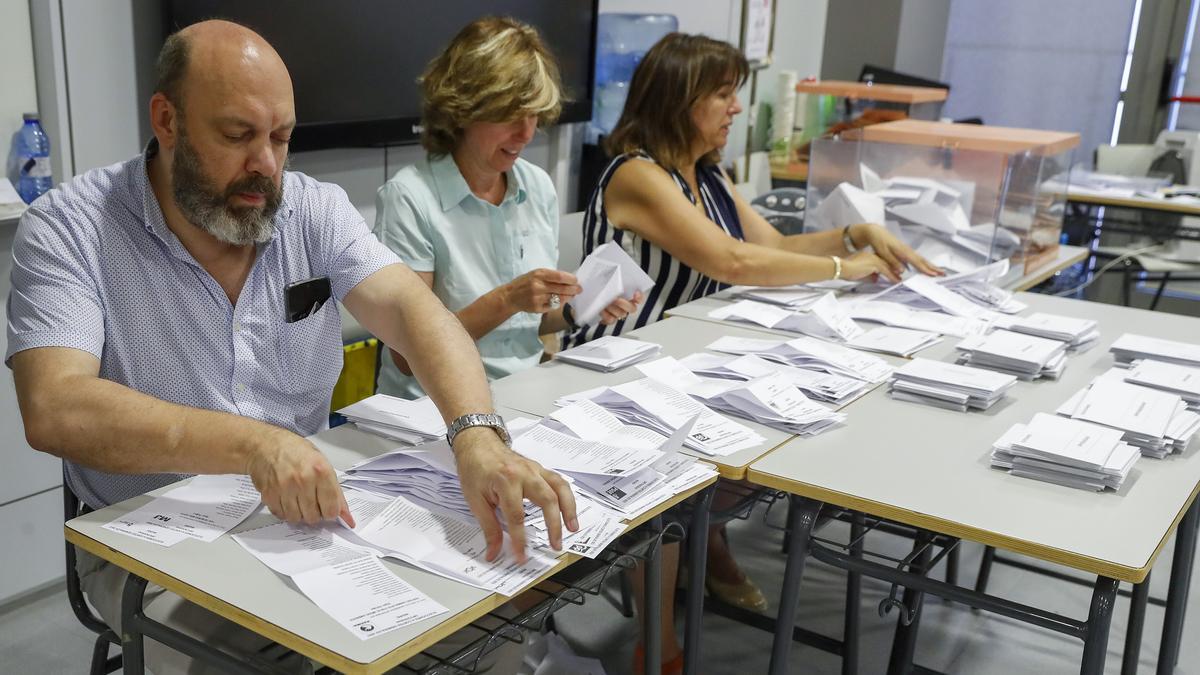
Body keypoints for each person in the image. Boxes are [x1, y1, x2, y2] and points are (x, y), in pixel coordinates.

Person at [6, 20, 575, 674]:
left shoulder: (312, 208)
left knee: (482, 624)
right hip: (148, 534)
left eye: (280, 137)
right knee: (229, 657)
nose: (267, 165)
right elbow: (56, 405)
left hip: (312, 516)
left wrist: (476, 434)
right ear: (166, 119)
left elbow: (416, 313)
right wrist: (256, 445)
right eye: (238, 135)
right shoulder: (71, 226)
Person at [565, 33, 942, 673]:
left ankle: (707, 543)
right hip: (623, 363)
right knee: (670, 485)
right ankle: (657, 648)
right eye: (721, 94)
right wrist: (841, 268)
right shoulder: (637, 173)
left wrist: (857, 233)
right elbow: (731, 261)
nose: (735, 107)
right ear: (680, 98)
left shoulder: (707, 170)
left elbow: (772, 244)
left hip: (689, 357)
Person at [374, 16, 640, 398]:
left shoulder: (536, 185)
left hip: (523, 392)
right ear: (463, 108)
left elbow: (531, 322)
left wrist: (581, 305)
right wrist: (507, 299)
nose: (527, 132)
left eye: (534, 114)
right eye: (510, 114)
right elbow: (405, 355)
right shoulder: (409, 197)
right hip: (435, 407)